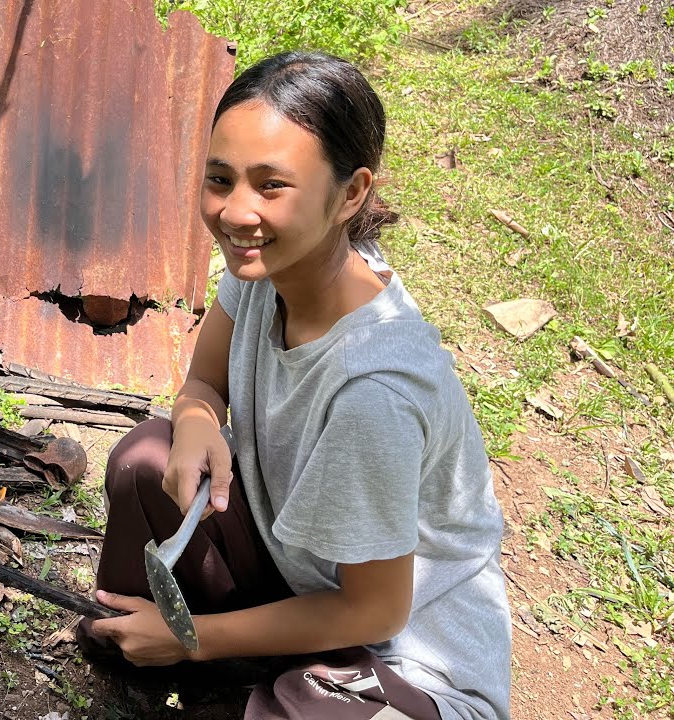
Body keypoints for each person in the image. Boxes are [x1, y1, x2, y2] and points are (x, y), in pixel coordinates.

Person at [80, 51, 512, 720]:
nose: (235, 212)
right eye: (220, 179)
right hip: (300, 571)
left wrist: (191, 640)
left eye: (270, 185)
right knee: (146, 462)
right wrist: (197, 423)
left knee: (304, 710)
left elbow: (375, 609)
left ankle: (210, 670)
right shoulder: (272, 265)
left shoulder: (373, 390)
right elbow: (204, 380)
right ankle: (153, 654)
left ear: (351, 193)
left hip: (401, 659)